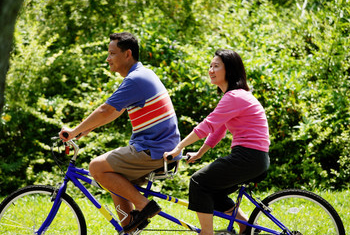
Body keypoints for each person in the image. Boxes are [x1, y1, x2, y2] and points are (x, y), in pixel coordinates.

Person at [59, 32, 181, 233]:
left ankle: (144, 206)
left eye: (112, 53)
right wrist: (83, 131)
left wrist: (73, 132)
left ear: (127, 54)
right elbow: (114, 112)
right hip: (159, 149)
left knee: (97, 167)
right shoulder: (142, 74)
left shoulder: (135, 79)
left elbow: (105, 110)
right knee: (114, 176)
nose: (107, 58)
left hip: (154, 150)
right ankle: (130, 228)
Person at [164, 49, 270, 235]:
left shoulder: (234, 97)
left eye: (216, 66)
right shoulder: (236, 96)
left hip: (248, 156)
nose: (211, 70)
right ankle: (246, 227)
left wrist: (179, 147)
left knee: (198, 182)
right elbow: (218, 130)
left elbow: (206, 126)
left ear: (229, 70)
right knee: (213, 190)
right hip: (253, 157)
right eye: (210, 66)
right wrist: (199, 154)